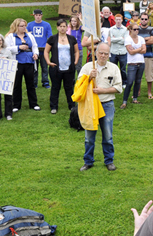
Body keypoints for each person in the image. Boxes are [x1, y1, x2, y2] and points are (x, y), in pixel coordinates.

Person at [78, 43, 122, 172]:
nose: (103, 56)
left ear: (109, 55)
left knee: (107, 135)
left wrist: (103, 91)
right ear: (95, 53)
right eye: (101, 53)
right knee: (89, 136)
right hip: (90, 105)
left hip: (107, 104)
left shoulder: (114, 68)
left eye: (106, 54)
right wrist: (89, 78)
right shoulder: (87, 67)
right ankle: (88, 162)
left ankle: (109, 161)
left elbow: (118, 88)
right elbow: (78, 85)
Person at [44, 19, 79, 114]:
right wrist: (48, 62)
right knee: (55, 87)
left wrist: (75, 61)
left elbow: (76, 51)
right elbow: (46, 51)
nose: (62, 28)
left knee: (69, 87)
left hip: (69, 68)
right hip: (56, 68)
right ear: (57, 27)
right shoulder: (52, 39)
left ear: (67, 27)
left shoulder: (71, 38)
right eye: (61, 26)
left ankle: (71, 105)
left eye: (64, 26)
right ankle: (54, 106)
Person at [5, 18, 40, 112]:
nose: (24, 28)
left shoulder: (29, 35)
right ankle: (16, 105)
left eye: (25, 26)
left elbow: (35, 46)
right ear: (16, 27)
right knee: (17, 84)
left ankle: (33, 104)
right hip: (17, 63)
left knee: (31, 84)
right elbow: (6, 49)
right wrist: (18, 47)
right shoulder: (10, 36)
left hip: (29, 62)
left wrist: (36, 54)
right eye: (21, 26)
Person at [120, 24, 146, 109]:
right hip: (132, 64)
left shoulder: (141, 38)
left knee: (138, 81)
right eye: (135, 29)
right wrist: (139, 49)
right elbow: (130, 52)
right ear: (130, 30)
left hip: (141, 63)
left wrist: (135, 50)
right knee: (130, 82)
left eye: (138, 29)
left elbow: (144, 50)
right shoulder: (128, 39)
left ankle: (135, 98)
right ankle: (124, 101)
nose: (137, 31)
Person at [27, 9, 52, 89]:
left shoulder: (46, 25)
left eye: (39, 15)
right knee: (34, 68)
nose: (38, 17)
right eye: (36, 15)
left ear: (42, 15)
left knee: (44, 67)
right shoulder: (30, 25)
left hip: (44, 49)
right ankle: (34, 83)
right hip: (34, 50)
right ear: (34, 15)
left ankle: (45, 82)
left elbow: (50, 36)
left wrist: (49, 46)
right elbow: (27, 36)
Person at [138, 12, 153, 99]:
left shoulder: (151, 28)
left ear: (148, 20)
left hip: (148, 55)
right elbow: (134, 41)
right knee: (138, 75)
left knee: (149, 75)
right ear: (140, 19)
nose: (144, 20)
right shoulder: (136, 29)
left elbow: (152, 41)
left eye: (146, 19)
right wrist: (146, 39)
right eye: (142, 19)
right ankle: (137, 91)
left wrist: (140, 41)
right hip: (137, 56)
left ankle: (149, 92)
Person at [107, 14, 128, 87]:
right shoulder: (111, 29)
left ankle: (124, 82)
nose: (118, 21)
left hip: (122, 52)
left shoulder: (125, 29)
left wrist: (116, 39)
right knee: (113, 68)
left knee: (123, 69)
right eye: (117, 19)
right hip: (113, 51)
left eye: (119, 19)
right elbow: (111, 40)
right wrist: (120, 38)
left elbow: (125, 41)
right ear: (115, 20)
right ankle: (113, 82)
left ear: (122, 20)